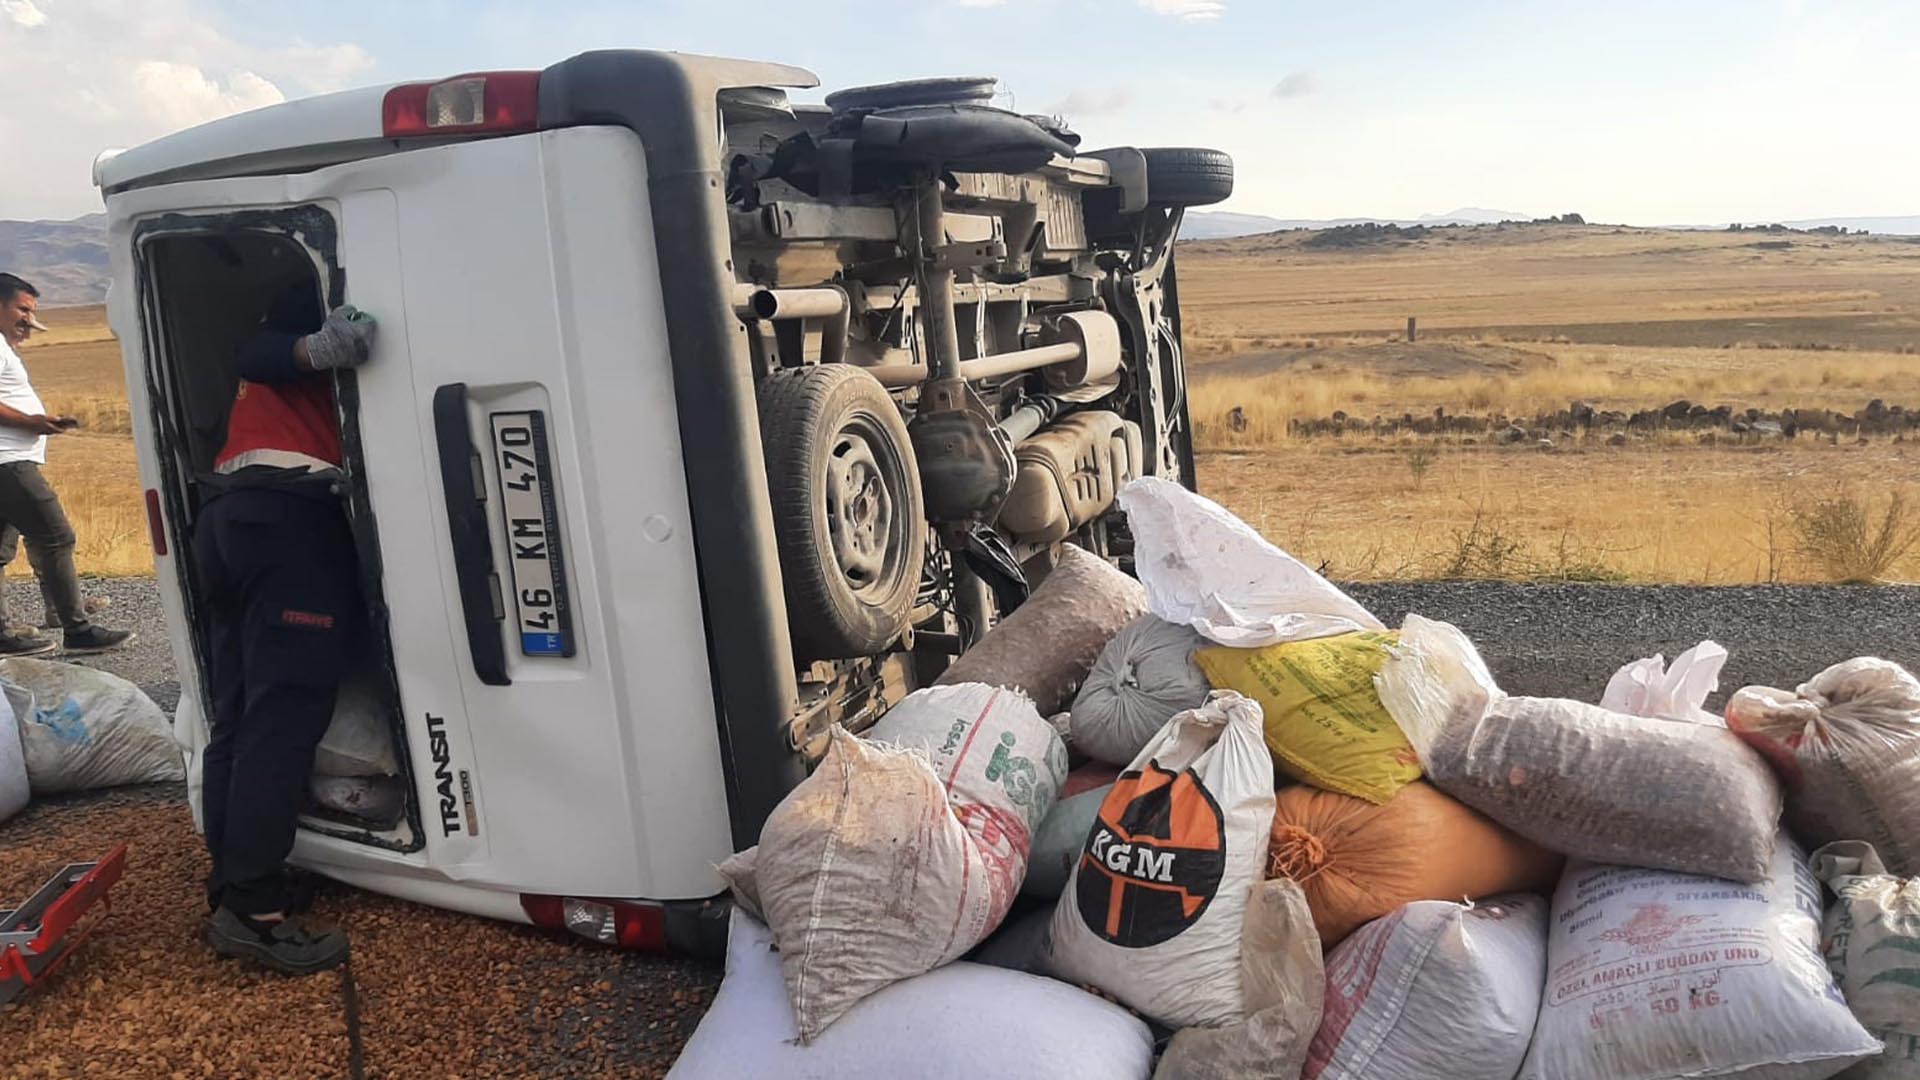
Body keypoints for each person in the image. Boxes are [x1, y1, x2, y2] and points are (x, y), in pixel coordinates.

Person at [195, 283, 375, 975]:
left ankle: (235, 884)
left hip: (228, 521)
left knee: (239, 718)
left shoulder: (281, 378)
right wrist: (314, 346)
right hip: (288, 521)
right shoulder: (300, 331)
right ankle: (256, 915)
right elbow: (256, 350)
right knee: (282, 718)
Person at [0, 273, 132, 656]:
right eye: (22, 308)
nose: (28, 318)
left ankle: (5, 635)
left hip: (10, 459)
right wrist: (34, 424)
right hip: (9, 461)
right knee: (56, 536)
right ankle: (77, 630)